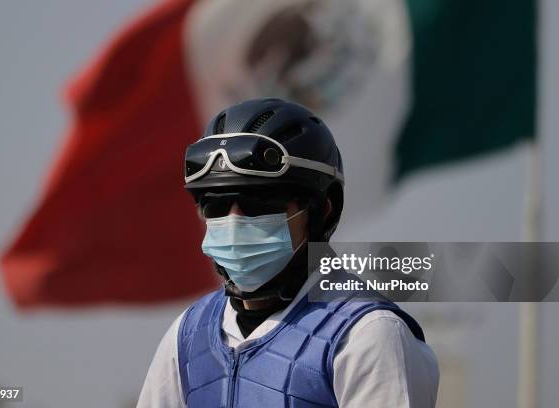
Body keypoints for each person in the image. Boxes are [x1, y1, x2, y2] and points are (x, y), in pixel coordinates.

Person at [137, 98, 439, 407]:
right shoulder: (187, 336)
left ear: (322, 211)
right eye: (216, 206)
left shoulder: (368, 334)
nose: (234, 221)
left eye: (258, 204)